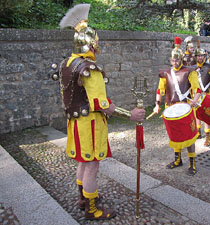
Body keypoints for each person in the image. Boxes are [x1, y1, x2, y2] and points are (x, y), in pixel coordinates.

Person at [51, 4, 145, 220]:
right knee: (92, 165)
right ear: (90, 45)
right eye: (96, 44)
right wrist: (130, 115)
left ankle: (84, 198)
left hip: (75, 123)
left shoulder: (67, 64)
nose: (97, 48)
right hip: (90, 124)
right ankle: (92, 210)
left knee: (84, 162)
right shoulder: (89, 69)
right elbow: (102, 104)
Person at [152, 37, 201, 176]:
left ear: (182, 59)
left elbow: (197, 89)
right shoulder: (166, 73)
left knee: (189, 136)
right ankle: (178, 160)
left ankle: (192, 163)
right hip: (170, 107)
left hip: (185, 107)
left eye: (177, 60)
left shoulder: (189, 71)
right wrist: (157, 105)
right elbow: (160, 90)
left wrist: (194, 100)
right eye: (173, 60)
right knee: (174, 135)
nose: (175, 63)